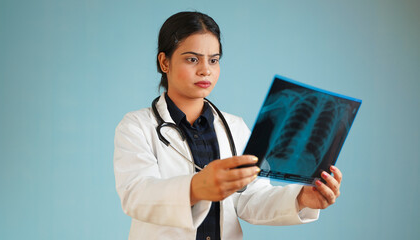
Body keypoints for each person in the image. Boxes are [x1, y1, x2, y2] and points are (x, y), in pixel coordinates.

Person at [113, 11, 342, 240]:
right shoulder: (137, 126)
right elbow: (136, 195)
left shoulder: (234, 127)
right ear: (164, 62)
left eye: (213, 59)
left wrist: (302, 198)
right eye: (192, 59)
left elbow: (249, 198)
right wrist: (195, 188)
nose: (206, 70)